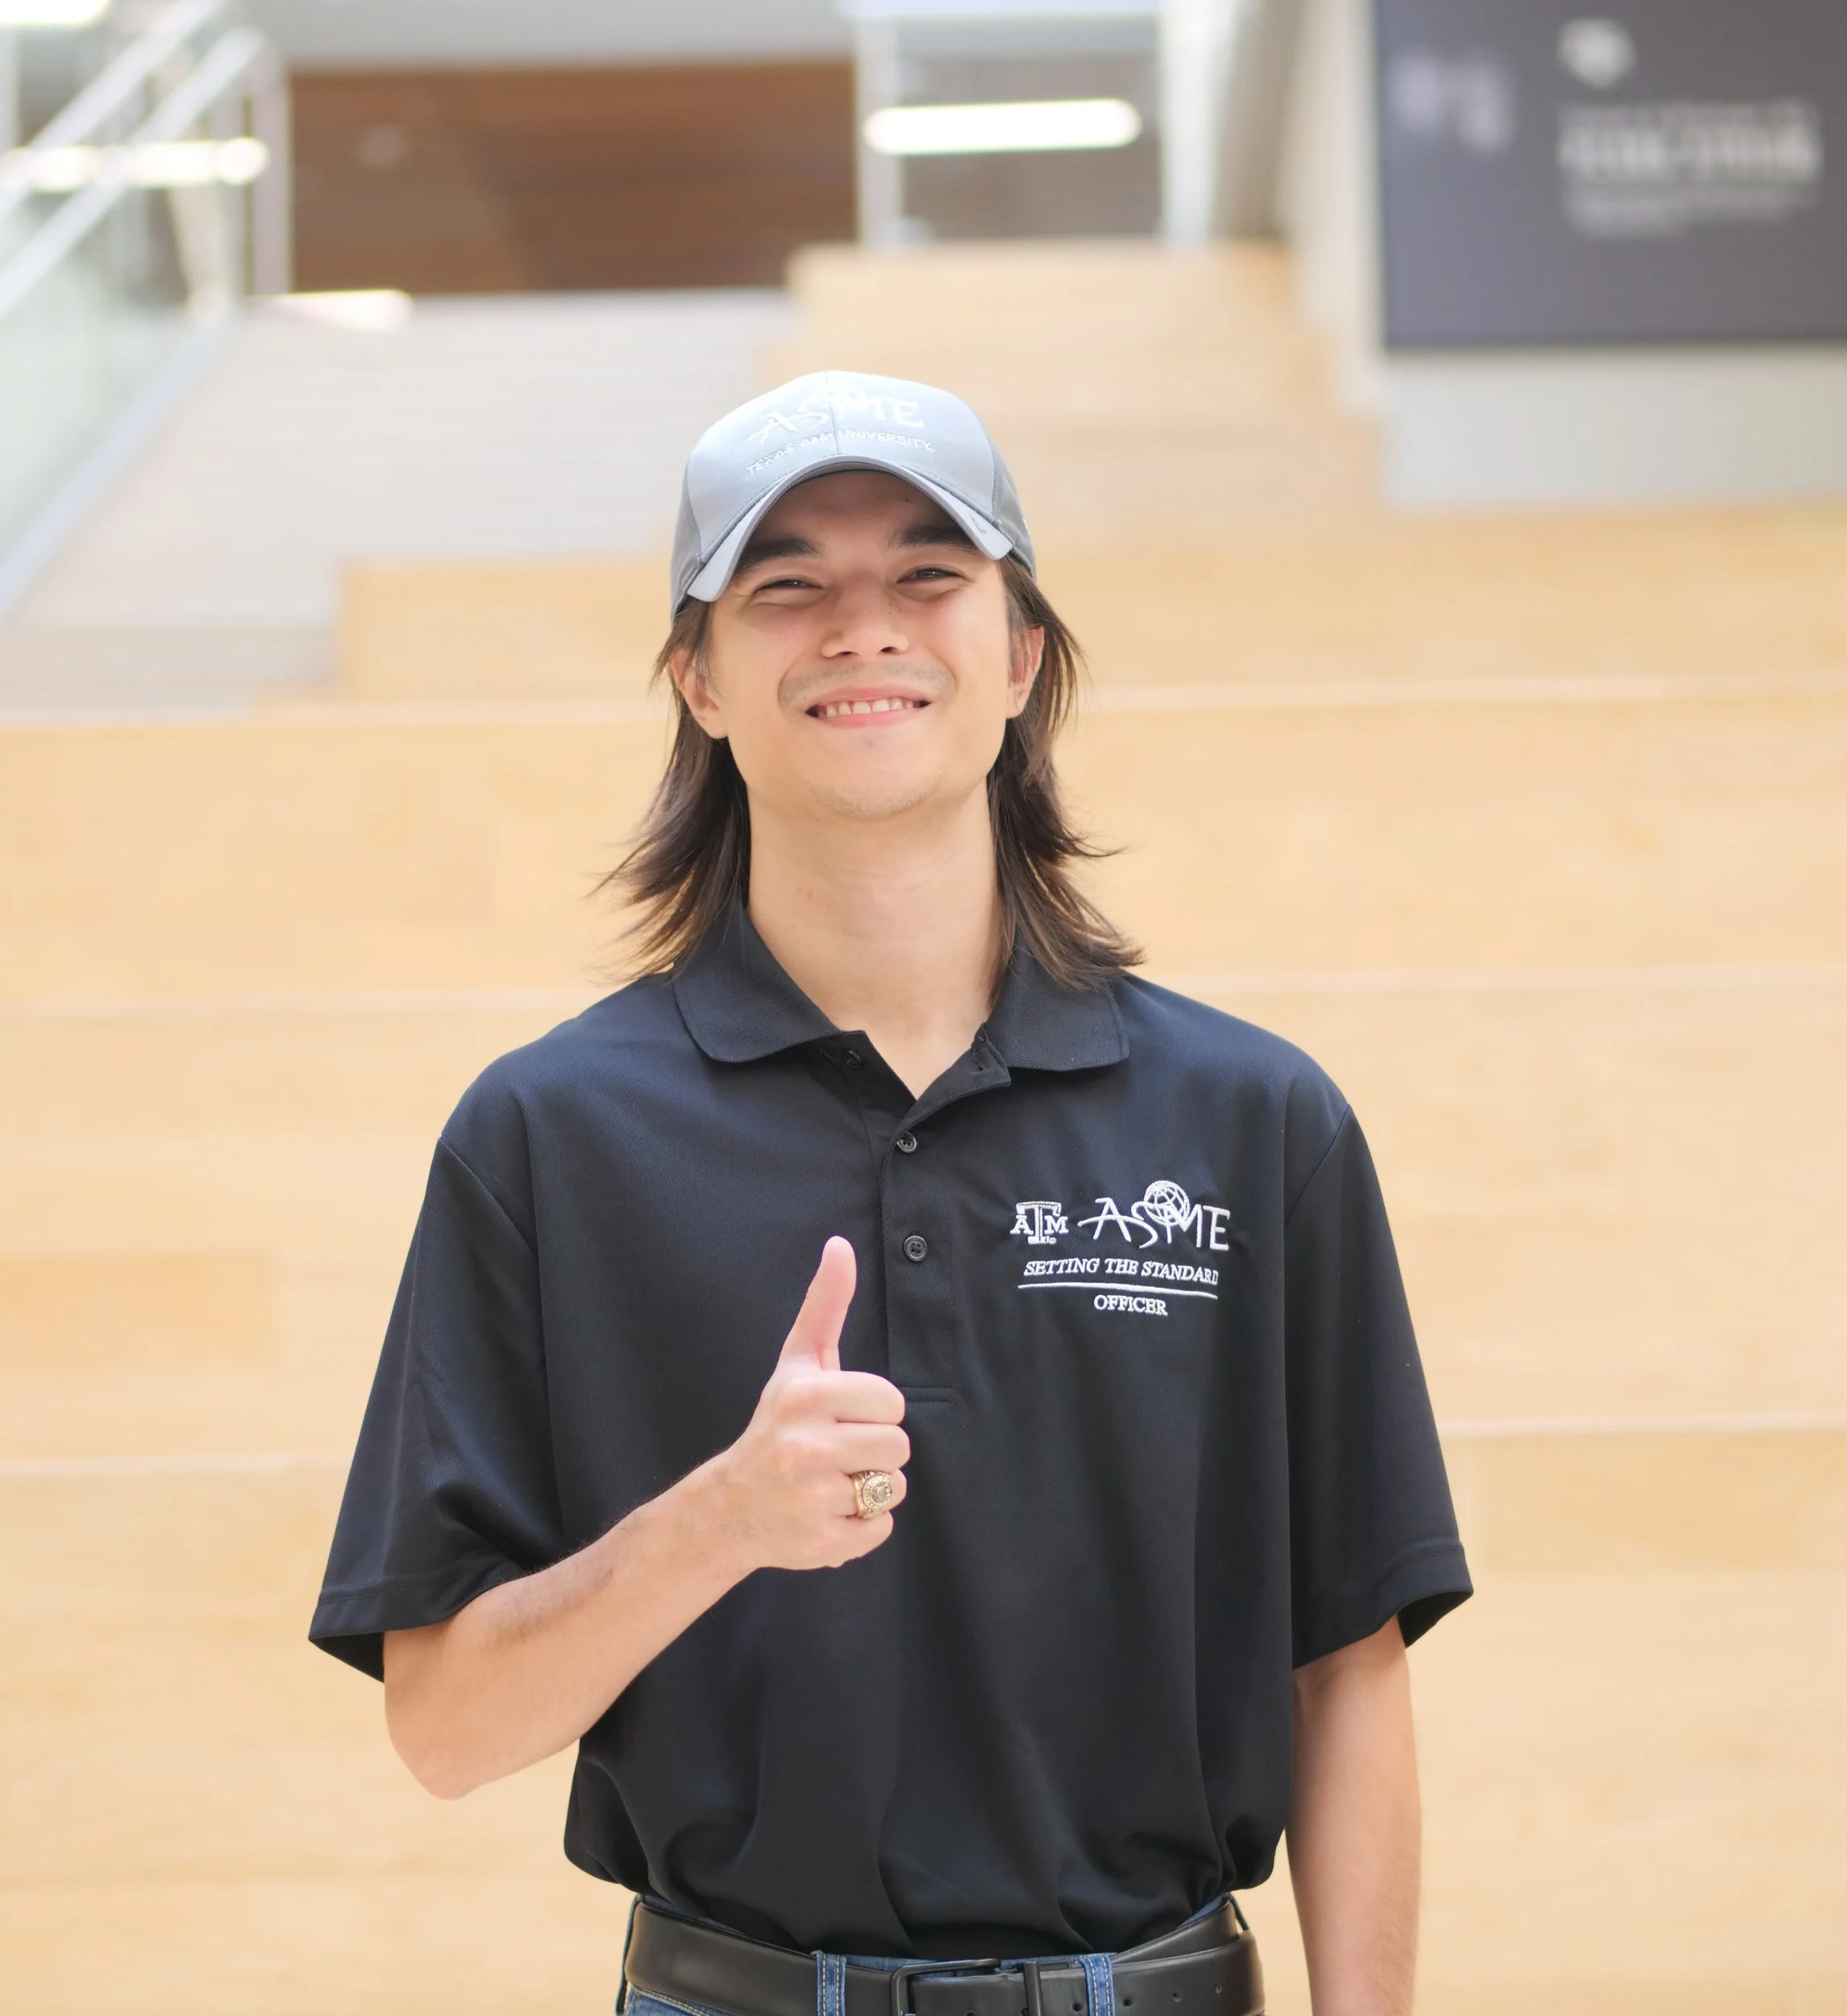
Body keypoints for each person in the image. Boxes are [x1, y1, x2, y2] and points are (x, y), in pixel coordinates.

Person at [310, 371, 1472, 2016]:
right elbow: (440, 1726)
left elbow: (1343, 1662)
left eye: (928, 574)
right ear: (697, 680)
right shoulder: (549, 1134)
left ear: (1018, 658)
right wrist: (718, 1519)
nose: (862, 627)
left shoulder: (1250, 1121)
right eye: (784, 583)